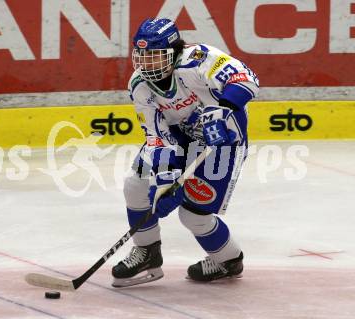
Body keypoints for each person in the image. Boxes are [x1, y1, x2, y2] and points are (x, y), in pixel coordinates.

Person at [111, 18, 259, 288]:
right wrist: (167, 179)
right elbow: (156, 136)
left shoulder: (199, 59)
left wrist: (223, 108)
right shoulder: (140, 86)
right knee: (137, 185)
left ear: (173, 51)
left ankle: (228, 260)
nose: (147, 64)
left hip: (224, 142)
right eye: (141, 56)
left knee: (193, 215)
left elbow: (247, 78)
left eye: (154, 56)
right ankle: (147, 252)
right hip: (180, 138)